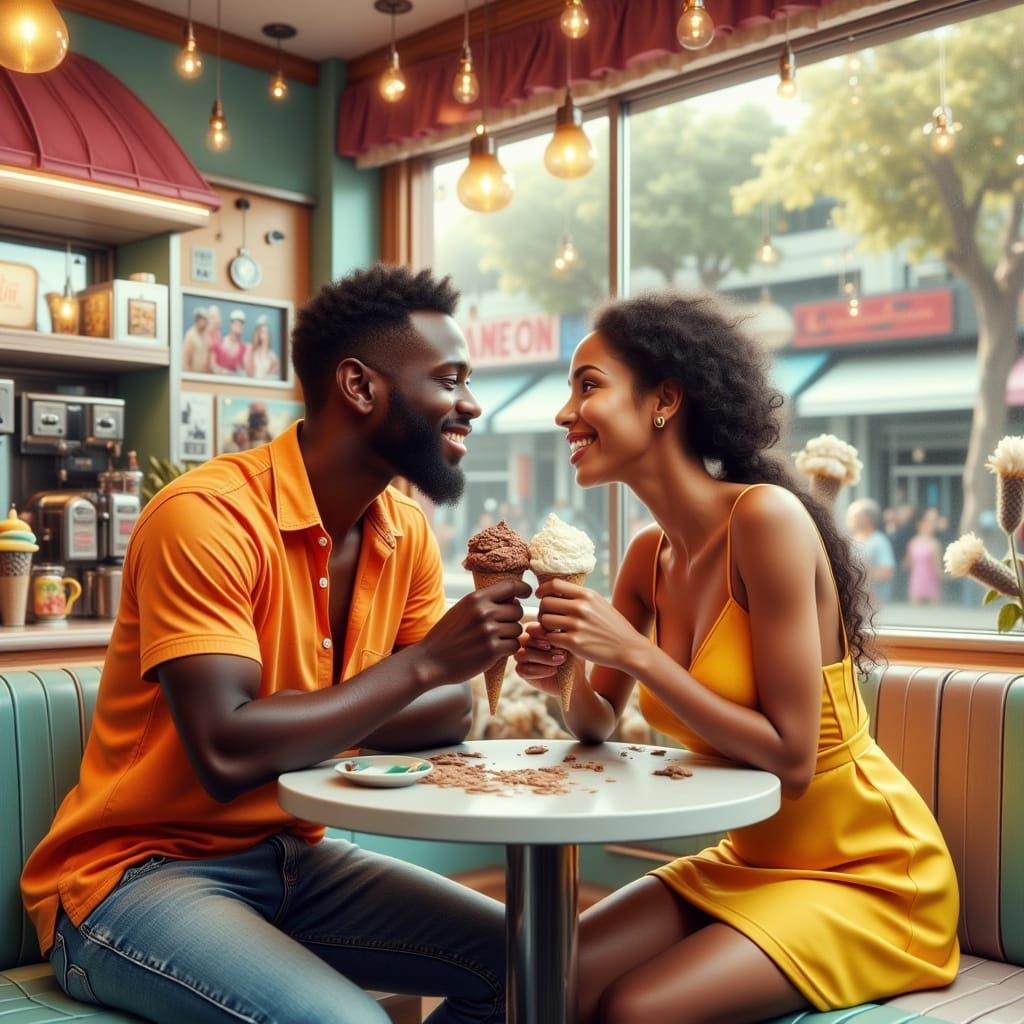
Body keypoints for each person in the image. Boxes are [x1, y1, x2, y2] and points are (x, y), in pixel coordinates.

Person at [21, 264, 528, 1024]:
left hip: (295, 862)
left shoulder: (405, 530)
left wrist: (298, 717)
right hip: (133, 879)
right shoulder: (205, 517)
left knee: (529, 962)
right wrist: (422, 664)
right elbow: (228, 755)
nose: (471, 404)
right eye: (449, 380)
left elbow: (449, 713)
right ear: (359, 387)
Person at [514, 292, 959, 1024]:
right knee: (544, 974)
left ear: (665, 401)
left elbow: (791, 760)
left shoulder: (765, 519)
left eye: (588, 385)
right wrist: (564, 669)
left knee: (635, 1009)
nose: (565, 413)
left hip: (867, 874)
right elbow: (594, 724)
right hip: (748, 861)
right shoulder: (647, 555)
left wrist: (636, 653)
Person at [845, 497, 896, 608]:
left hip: (874, 603)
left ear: (867, 518)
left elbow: (887, 572)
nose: (850, 518)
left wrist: (858, 575)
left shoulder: (879, 541)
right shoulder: (849, 540)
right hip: (854, 603)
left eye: (855, 515)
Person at [904, 507, 943, 606]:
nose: (931, 525)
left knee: (934, 607)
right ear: (921, 523)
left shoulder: (935, 544)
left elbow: (937, 567)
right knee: (915, 608)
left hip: (931, 580)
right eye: (928, 522)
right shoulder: (913, 542)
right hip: (916, 580)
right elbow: (907, 564)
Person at [210, 308, 248, 374]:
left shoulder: (243, 348)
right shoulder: (219, 344)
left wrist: (240, 372)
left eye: (242, 324)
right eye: (237, 323)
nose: (240, 326)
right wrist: (225, 372)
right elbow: (212, 366)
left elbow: (244, 371)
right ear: (231, 325)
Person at [244, 313, 281, 379]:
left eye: (266, 332)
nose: (264, 336)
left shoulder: (273, 358)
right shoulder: (251, 351)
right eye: (262, 332)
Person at [182, 306, 211, 373]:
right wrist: (189, 375)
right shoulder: (190, 336)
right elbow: (185, 361)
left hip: (202, 376)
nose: (201, 321)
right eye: (199, 318)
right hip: (192, 375)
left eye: (203, 318)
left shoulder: (207, 337)